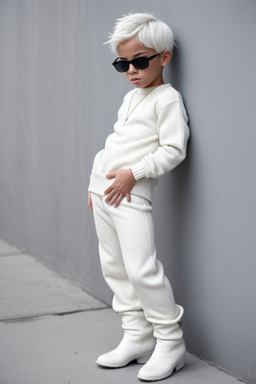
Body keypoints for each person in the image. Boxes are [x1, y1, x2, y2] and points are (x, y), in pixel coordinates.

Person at [88, 13, 189, 382]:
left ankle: (170, 339)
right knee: (114, 267)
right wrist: (93, 182)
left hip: (131, 193)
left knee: (142, 269)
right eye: (123, 63)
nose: (131, 69)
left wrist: (136, 173)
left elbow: (173, 149)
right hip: (104, 191)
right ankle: (136, 333)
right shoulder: (132, 98)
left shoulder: (167, 99)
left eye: (140, 60)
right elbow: (114, 144)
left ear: (164, 57)